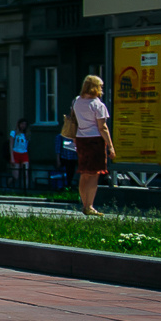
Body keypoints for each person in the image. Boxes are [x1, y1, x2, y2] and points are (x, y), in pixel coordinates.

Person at [70, 73, 115, 216]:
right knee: (94, 174)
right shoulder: (97, 104)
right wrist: (111, 146)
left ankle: (84, 203)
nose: (102, 88)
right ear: (95, 87)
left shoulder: (77, 101)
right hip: (95, 140)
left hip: (81, 139)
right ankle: (90, 205)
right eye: (100, 86)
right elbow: (103, 127)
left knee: (84, 173)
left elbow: (74, 119)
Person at [9, 117, 32, 192]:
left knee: (26, 173)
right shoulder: (14, 133)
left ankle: (26, 190)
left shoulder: (26, 134)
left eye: (25, 124)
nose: (23, 126)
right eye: (22, 124)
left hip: (24, 154)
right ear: (19, 124)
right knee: (16, 176)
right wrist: (12, 157)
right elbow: (11, 145)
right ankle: (9, 183)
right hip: (16, 153)